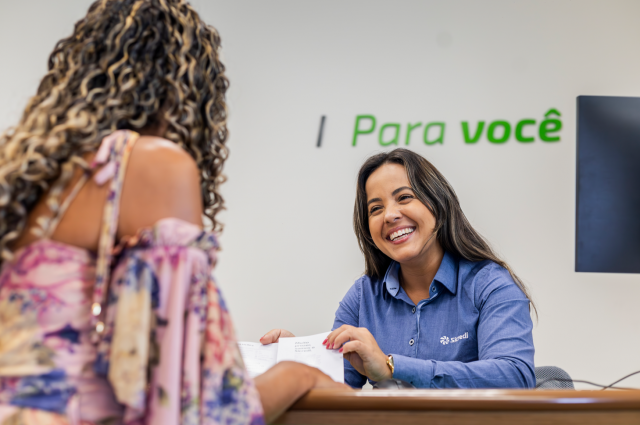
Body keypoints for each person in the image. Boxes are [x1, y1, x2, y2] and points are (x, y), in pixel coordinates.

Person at [0, 1, 345, 424]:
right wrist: (298, 375)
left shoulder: (21, 180)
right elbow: (189, 405)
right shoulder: (149, 165)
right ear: (189, 94)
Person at [262, 148, 536, 389]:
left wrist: (391, 366)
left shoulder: (490, 285)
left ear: (437, 203)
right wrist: (298, 361)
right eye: (375, 209)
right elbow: (336, 390)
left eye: (404, 197)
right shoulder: (363, 296)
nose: (390, 215)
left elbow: (514, 376)